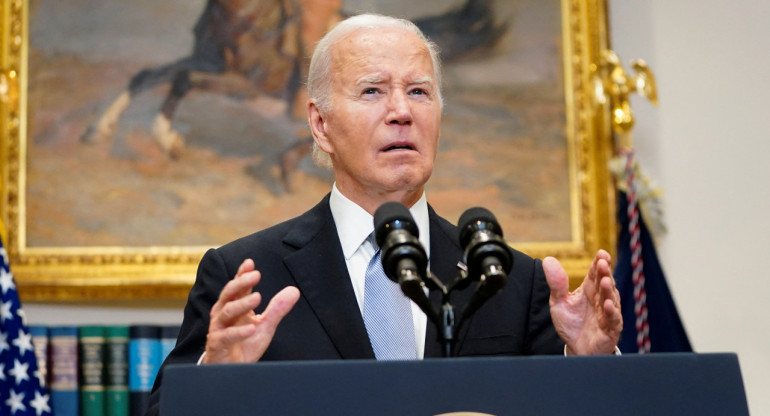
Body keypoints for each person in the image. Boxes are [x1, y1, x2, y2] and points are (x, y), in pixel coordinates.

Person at [145, 13, 622, 415]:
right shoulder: (247, 276)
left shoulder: (511, 279)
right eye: (372, 92)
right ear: (321, 124)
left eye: (418, 92)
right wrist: (214, 382)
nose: (401, 112)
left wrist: (588, 362)